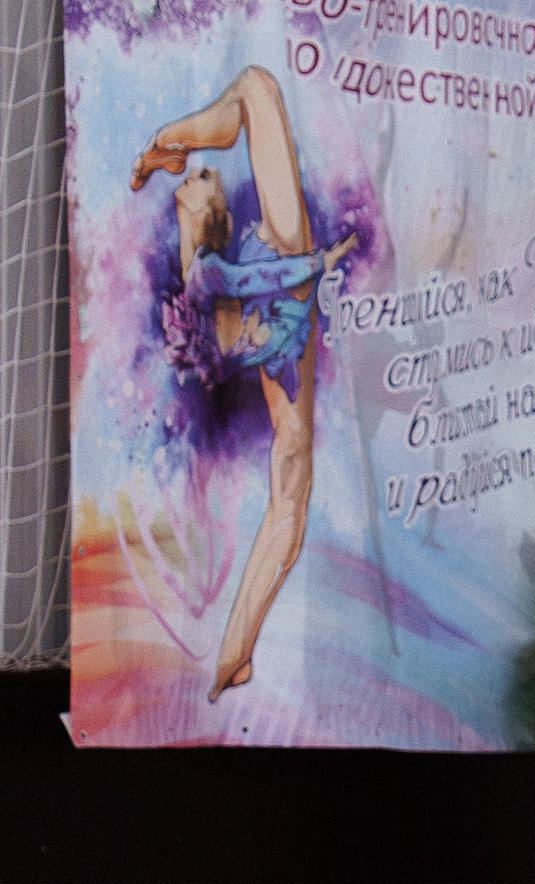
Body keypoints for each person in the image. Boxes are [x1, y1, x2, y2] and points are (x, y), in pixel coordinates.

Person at [133, 67, 359, 701]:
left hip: (277, 334)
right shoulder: (209, 270)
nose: (210, 174)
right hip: (282, 292)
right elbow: (247, 284)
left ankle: (236, 652)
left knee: (292, 489)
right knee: (257, 87)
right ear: (213, 212)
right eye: (204, 177)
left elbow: (238, 304)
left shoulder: (198, 267)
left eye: (203, 171)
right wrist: (318, 261)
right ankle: (165, 139)